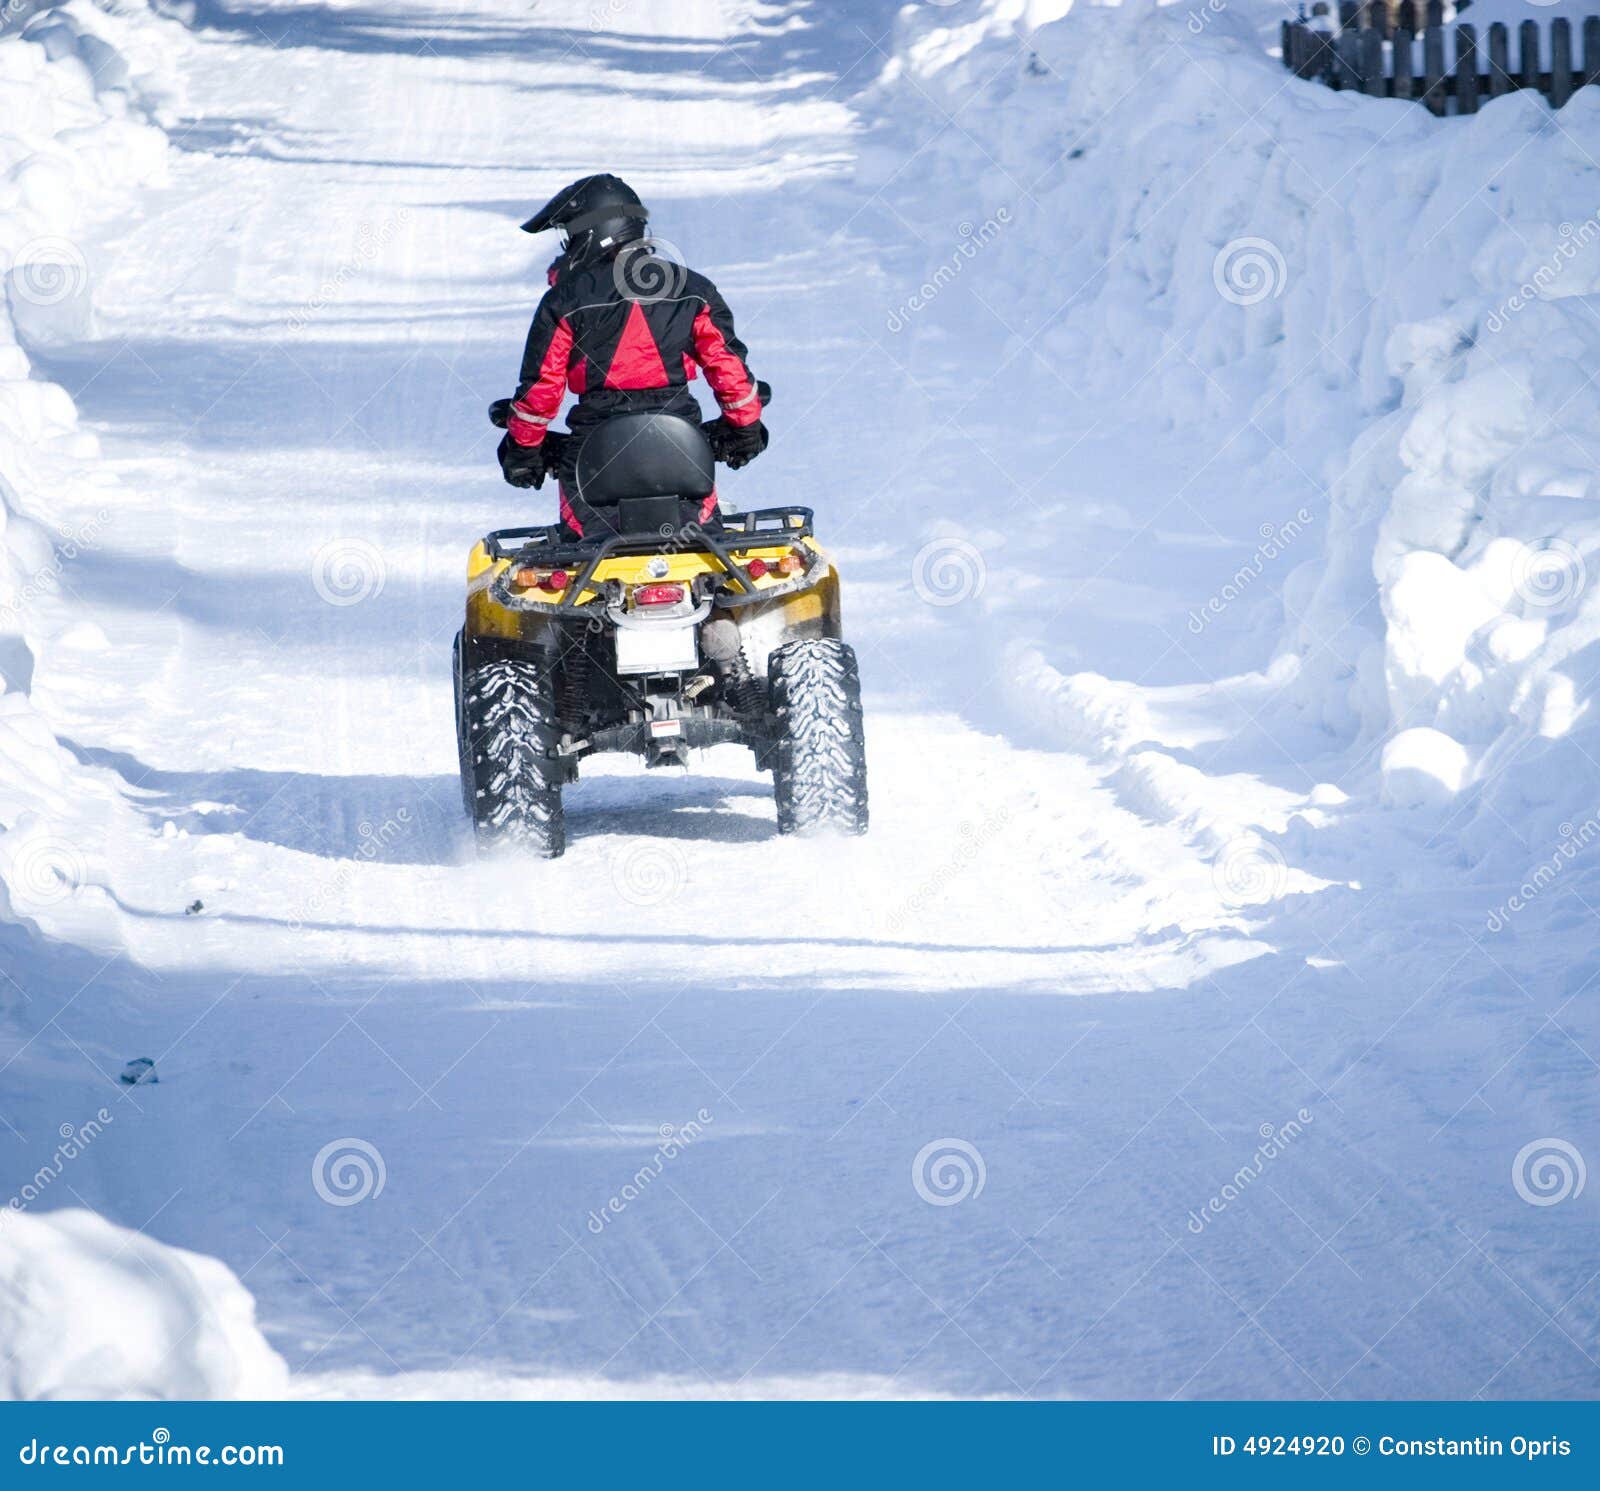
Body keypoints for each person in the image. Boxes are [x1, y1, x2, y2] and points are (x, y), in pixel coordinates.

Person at [497, 174, 767, 538]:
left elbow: (539, 395)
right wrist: (744, 430)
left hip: (594, 462)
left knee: (577, 565)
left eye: (567, 237)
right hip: (681, 454)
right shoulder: (694, 289)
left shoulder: (563, 301)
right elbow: (731, 375)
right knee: (706, 552)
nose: (566, 248)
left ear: (591, 232)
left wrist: (523, 451)